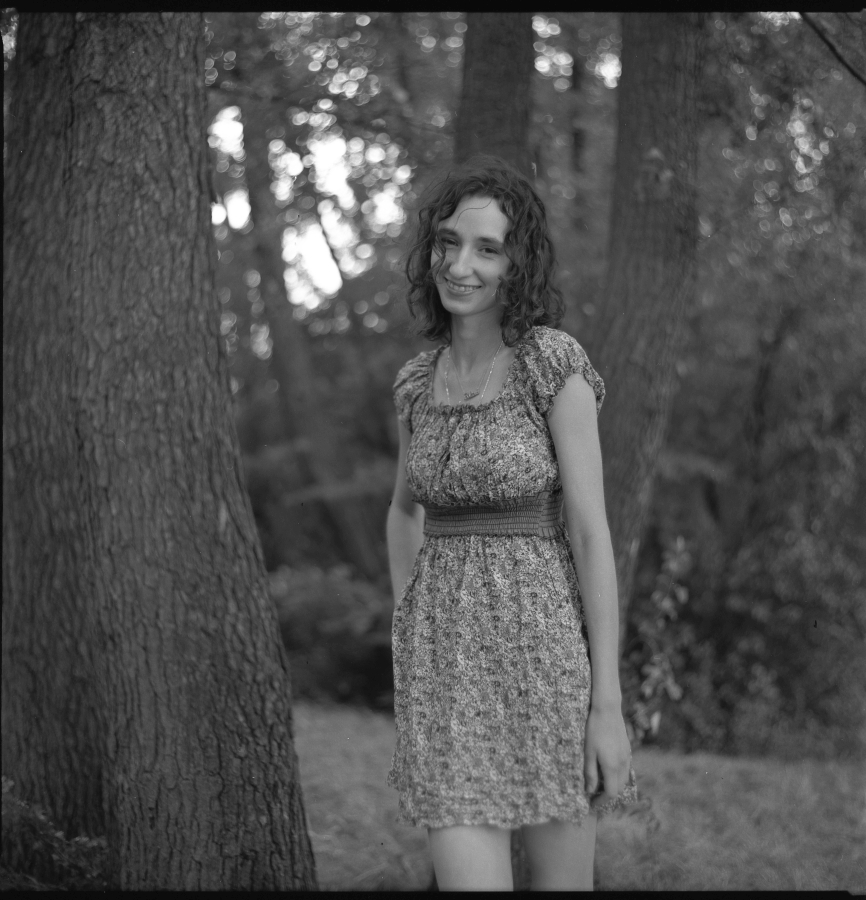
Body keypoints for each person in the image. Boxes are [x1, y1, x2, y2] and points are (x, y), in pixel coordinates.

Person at [386, 155, 637, 891]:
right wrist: (409, 617)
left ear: (515, 264)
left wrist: (607, 706)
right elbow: (403, 512)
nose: (460, 265)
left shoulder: (550, 365)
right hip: (444, 676)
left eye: (487, 249)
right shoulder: (415, 383)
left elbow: (590, 534)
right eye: (448, 242)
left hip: (547, 669)